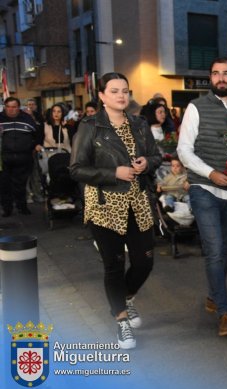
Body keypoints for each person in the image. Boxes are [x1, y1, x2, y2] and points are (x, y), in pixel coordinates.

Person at [69, 72, 162, 349]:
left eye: (125, 90)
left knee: (144, 261)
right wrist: (114, 173)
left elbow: (156, 155)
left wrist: (148, 162)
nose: (121, 96)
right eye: (114, 91)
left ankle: (126, 297)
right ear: (101, 96)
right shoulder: (90, 126)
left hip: (139, 203)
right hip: (105, 206)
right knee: (114, 266)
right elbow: (75, 169)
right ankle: (121, 319)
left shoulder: (140, 123)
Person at [177, 57, 227, 337]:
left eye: (226, 73)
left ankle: (213, 295)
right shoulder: (195, 107)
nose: (220, 78)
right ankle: (223, 311)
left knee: (223, 250)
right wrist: (210, 174)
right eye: (215, 73)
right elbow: (184, 150)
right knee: (214, 249)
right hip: (204, 189)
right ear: (210, 77)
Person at [0, 97, 42, 216]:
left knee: (21, 185)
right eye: (8, 107)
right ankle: (7, 209)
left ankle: (22, 207)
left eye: (14, 107)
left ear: (18, 108)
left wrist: (36, 145)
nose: (11, 110)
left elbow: (37, 134)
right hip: (4, 159)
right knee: (4, 185)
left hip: (24, 157)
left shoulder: (27, 118)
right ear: (5, 107)